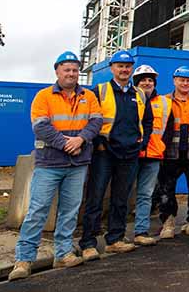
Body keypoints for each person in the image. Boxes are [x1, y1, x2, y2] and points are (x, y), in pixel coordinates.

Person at [8, 52, 102, 281]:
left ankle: (63, 253)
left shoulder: (88, 96)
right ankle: (24, 259)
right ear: (57, 72)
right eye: (66, 69)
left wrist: (80, 140)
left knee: (69, 211)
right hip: (50, 163)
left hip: (78, 163)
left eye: (74, 69)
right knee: (37, 211)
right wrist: (66, 144)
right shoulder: (43, 96)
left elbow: (96, 121)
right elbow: (40, 127)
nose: (71, 73)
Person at [79, 51, 151, 260]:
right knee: (95, 197)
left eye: (128, 66)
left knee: (121, 198)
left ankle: (115, 239)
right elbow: (89, 121)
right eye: (120, 66)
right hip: (104, 153)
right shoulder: (99, 91)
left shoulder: (138, 94)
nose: (124, 69)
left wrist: (141, 143)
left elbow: (147, 121)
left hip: (129, 153)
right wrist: (98, 144)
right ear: (112, 68)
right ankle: (88, 243)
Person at [157, 71, 189, 240]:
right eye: (182, 80)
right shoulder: (163, 101)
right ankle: (168, 222)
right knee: (167, 189)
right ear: (174, 81)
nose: (185, 83)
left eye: (188, 81)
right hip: (170, 153)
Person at [131, 64, 165, 246]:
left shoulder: (163, 102)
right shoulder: (129, 98)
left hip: (153, 154)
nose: (147, 83)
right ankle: (117, 234)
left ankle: (141, 231)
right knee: (124, 194)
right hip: (131, 154)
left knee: (146, 194)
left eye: (150, 80)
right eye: (143, 79)